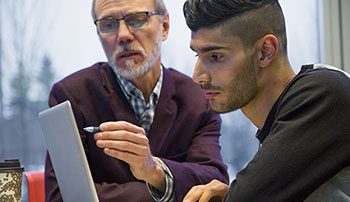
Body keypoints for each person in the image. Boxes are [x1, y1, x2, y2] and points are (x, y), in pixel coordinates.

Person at [44, 0, 229, 201]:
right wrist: (170, 188)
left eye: (137, 19)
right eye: (108, 24)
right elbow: (63, 196)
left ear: (165, 26)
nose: (123, 35)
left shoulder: (197, 98)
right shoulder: (71, 96)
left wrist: (155, 171)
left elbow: (214, 184)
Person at [182, 0, 350, 201]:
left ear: (265, 51)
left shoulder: (323, 93)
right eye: (196, 55)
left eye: (215, 56)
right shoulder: (280, 126)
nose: (198, 76)